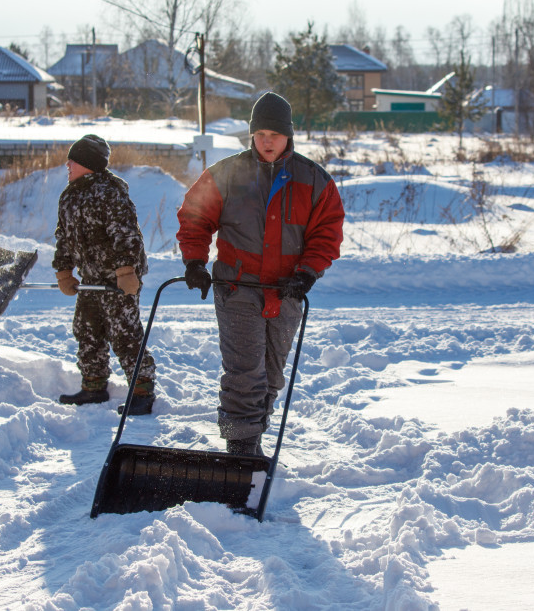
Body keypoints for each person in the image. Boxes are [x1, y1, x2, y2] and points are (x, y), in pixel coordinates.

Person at [176, 92, 344, 455]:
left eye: (275, 134)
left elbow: (327, 232)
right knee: (244, 372)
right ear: (251, 134)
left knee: (271, 373)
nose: (267, 141)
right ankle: (241, 447)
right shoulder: (227, 173)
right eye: (260, 133)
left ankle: (252, 436)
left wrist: (307, 273)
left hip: (287, 290)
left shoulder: (314, 180)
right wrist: (194, 261)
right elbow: (194, 215)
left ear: (289, 136)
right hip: (237, 287)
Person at [53, 134, 156, 415]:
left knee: (124, 334)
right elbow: (64, 236)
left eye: (72, 160)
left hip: (118, 279)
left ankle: (142, 390)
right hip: (90, 279)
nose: (68, 165)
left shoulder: (110, 191)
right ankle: (93, 386)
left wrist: (125, 271)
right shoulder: (69, 195)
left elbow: (125, 233)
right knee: (87, 330)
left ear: (86, 163)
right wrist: (64, 271)